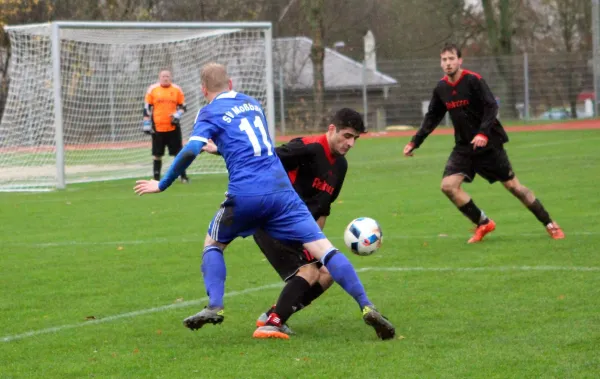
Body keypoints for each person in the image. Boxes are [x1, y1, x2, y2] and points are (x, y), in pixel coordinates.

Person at [134, 63, 395, 340]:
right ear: (231, 84)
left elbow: (190, 150)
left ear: (203, 89)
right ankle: (366, 305)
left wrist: (163, 183)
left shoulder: (208, 111)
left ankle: (215, 306)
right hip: (282, 193)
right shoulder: (252, 103)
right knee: (326, 252)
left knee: (213, 244)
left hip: (246, 192)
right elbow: (258, 147)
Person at [203, 108, 365, 339]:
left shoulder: (341, 166)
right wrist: (220, 150)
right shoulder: (307, 147)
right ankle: (271, 325)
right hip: (273, 219)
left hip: (300, 229)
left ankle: (273, 315)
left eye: (355, 139)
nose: (351, 143)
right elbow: (262, 157)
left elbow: (323, 208)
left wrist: (314, 243)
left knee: (328, 273)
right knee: (308, 272)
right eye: (347, 136)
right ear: (332, 129)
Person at [403, 43, 565, 243]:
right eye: (444, 59)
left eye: (451, 59)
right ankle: (483, 223)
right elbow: (432, 117)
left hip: (489, 145)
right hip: (464, 147)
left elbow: (491, 107)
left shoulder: (473, 81)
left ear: (460, 60)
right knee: (448, 186)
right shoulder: (441, 88)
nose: (448, 63)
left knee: (514, 188)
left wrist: (483, 133)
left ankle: (550, 223)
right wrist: (414, 142)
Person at [143, 69, 189, 183]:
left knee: (178, 153)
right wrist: (146, 124)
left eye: (167, 76)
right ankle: (156, 178)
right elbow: (146, 108)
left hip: (173, 127)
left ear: (171, 77)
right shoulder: (153, 89)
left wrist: (177, 114)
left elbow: (183, 107)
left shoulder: (176, 89)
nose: (165, 78)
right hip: (158, 127)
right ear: (159, 77)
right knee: (157, 154)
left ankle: (183, 176)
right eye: (163, 76)